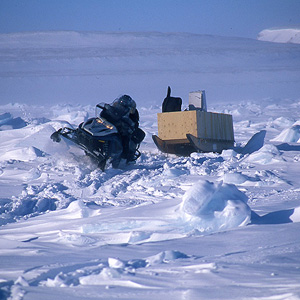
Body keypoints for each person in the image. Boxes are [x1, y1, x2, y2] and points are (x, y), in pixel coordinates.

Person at [100, 95, 144, 167]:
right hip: (110, 124)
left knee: (125, 139)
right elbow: (108, 112)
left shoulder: (133, 112)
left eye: (125, 104)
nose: (123, 105)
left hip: (122, 129)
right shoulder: (115, 108)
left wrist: (128, 124)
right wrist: (106, 109)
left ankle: (123, 158)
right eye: (122, 103)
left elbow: (134, 123)